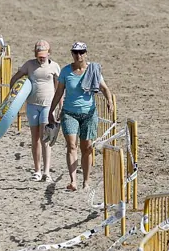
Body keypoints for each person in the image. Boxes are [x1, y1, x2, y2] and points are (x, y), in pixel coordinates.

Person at [48, 41, 113, 193]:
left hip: (89, 114)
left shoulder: (93, 70)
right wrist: (51, 110)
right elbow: (59, 93)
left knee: (87, 147)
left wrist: (109, 100)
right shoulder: (65, 72)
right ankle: (73, 181)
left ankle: (86, 180)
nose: (79, 55)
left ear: (86, 53)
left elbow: (104, 88)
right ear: (72, 53)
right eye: (76, 52)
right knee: (71, 145)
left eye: (81, 52)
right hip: (69, 113)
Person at [9, 40, 61, 181]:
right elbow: (15, 78)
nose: (41, 57)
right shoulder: (29, 65)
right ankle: (37, 170)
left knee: (45, 138)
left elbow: (59, 88)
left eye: (44, 55)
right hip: (32, 105)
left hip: (47, 105)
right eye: (39, 55)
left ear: (49, 53)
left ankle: (47, 171)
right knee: (35, 138)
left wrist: (59, 106)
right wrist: (13, 96)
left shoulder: (55, 67)